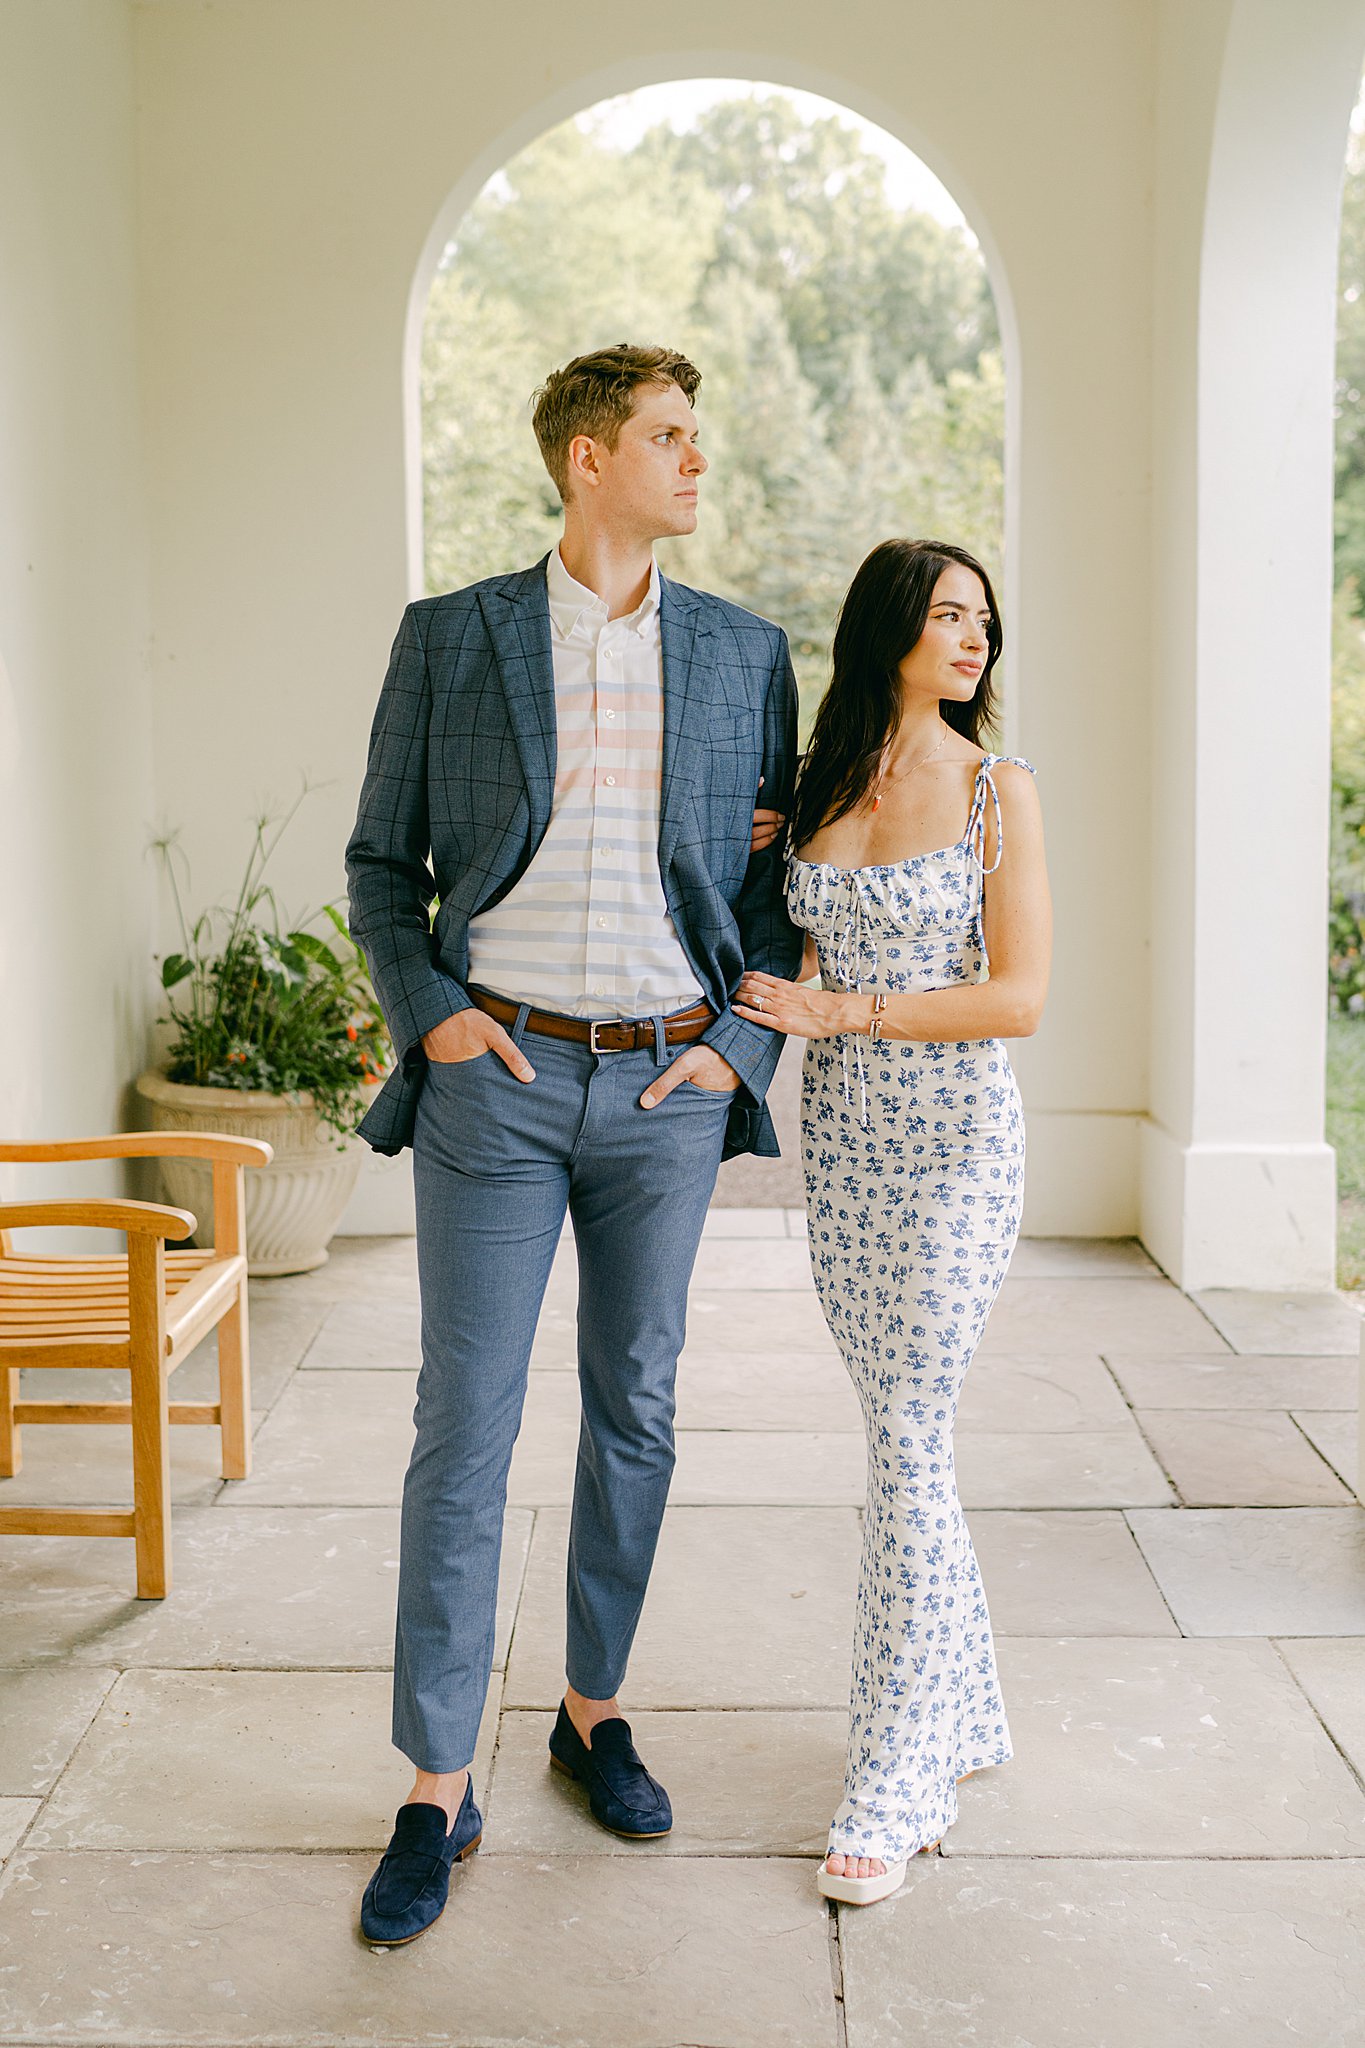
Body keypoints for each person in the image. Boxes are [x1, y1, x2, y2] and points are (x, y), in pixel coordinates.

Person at [345, 343, 802, 1945]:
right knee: (461, 1426)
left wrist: (735, 1048)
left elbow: (770, 892)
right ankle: (433, 1782)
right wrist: (434, 1017)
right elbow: (377, 860)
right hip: (498, 1080)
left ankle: (590, 1708)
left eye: (696, 434)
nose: (696, 461)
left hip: (665, 1094)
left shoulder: (745, 656)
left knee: (638, 1409)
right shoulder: (450, 638)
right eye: (670, 437)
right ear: (586, 459)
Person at [735, 537, 1052, 1907]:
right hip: (844, 1151)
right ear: (887, 632)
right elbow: (781, 939)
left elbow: (1018, 998)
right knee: (899, 1439)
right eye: (944, 615)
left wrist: (838, 1010)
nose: (971, 638)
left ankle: (894, 1774)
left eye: (980, 619)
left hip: (958, 1145)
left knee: (911, 1444)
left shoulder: (998, 791)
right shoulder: (815, 789)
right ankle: (965, 1710)